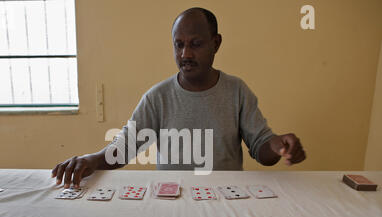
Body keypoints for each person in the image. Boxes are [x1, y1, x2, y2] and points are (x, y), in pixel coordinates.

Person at [52, 7, 306, 188]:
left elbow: (261, 148)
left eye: (196, 44)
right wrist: (90, 160)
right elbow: (124, 148)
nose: (186, 53)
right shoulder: (157, 97)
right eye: (178, 44)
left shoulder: (236, 91)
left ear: (215, 44)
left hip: (226, 200)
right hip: (171, 198)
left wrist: (277, 144)